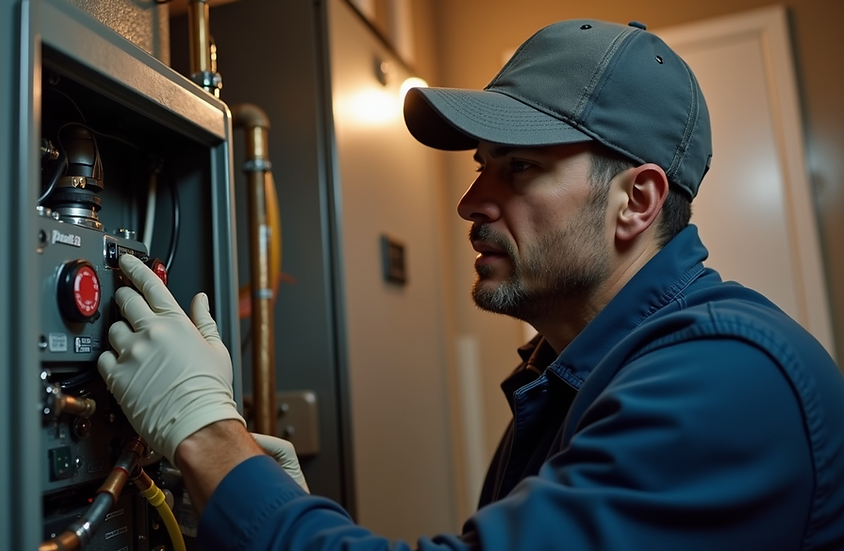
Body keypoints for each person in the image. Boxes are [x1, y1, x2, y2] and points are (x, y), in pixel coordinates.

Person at [98, 18, 844, 550]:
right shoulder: (569, 374)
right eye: (481, 164)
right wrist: (270, 498)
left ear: (637, 201)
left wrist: (210, 438)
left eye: (520, 167)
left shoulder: (727, 378)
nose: (470, 202)